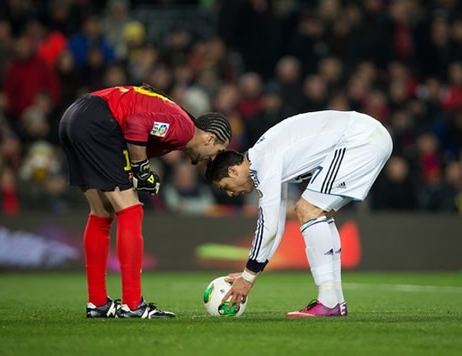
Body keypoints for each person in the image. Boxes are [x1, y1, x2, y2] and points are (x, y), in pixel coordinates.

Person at [59, 84, 231, 319]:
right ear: (210, 138)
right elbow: (136, 124)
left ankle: (97, 302)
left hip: (74, 118)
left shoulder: (176, 129)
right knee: (131, 210)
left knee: (101, 212)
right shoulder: (183, 129)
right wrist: (142, 169)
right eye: (217, 152)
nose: (212, 160)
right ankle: (133, 304)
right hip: (98, 121)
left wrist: (140, 171)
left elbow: (134, 131)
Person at [205, 110, 392, 317]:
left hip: (359, 138)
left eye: (225, 187)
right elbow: (276, 226)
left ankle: (329, 303)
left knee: (307, 209)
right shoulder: (266, 158)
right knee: (318, 213)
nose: (230, 194)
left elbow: (268, 226)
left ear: (233, 170)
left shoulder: (263, 162)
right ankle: (335, 301)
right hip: (368, 135)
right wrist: (250, 273)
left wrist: (248, 277)